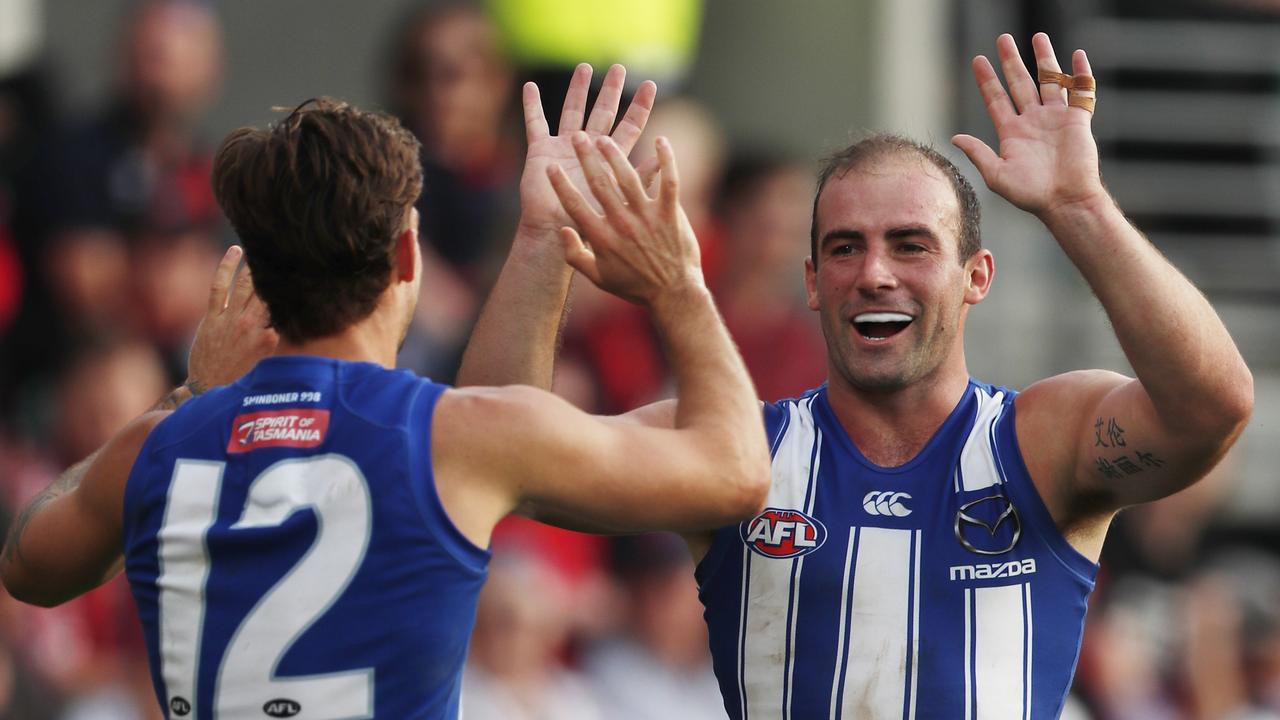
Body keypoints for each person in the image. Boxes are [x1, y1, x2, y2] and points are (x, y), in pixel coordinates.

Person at [458, 33, 1254, 718]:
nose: (874, 272)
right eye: (845, 248)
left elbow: (1211, 405)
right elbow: (498, 452)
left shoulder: (1041, 442)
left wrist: (1080, 205)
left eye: (911, 244)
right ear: (810, 281)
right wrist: (542, 236)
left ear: (977, 276)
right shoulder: (739, 456)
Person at [0, 70, 772, 718]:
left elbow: (29, 563)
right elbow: (735, 471)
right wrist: (677, 283)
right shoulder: (455, 439)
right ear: (408, 253)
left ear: (259, 275)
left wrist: (189, 392)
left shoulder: (157, 446)